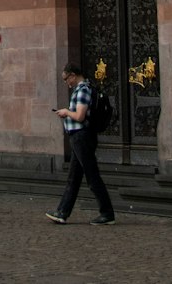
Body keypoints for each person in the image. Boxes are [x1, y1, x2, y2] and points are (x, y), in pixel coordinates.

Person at [45, 61, 116, 226]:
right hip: (79, 137)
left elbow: (80, 116)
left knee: (92, 176)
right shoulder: (83, 89)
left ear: (73, 75)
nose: (66, 83)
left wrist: (65, 112)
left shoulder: (83, 90)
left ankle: (107, 213)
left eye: (66, 79)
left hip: (82, 137)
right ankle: (62, 212)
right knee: (74, 178)